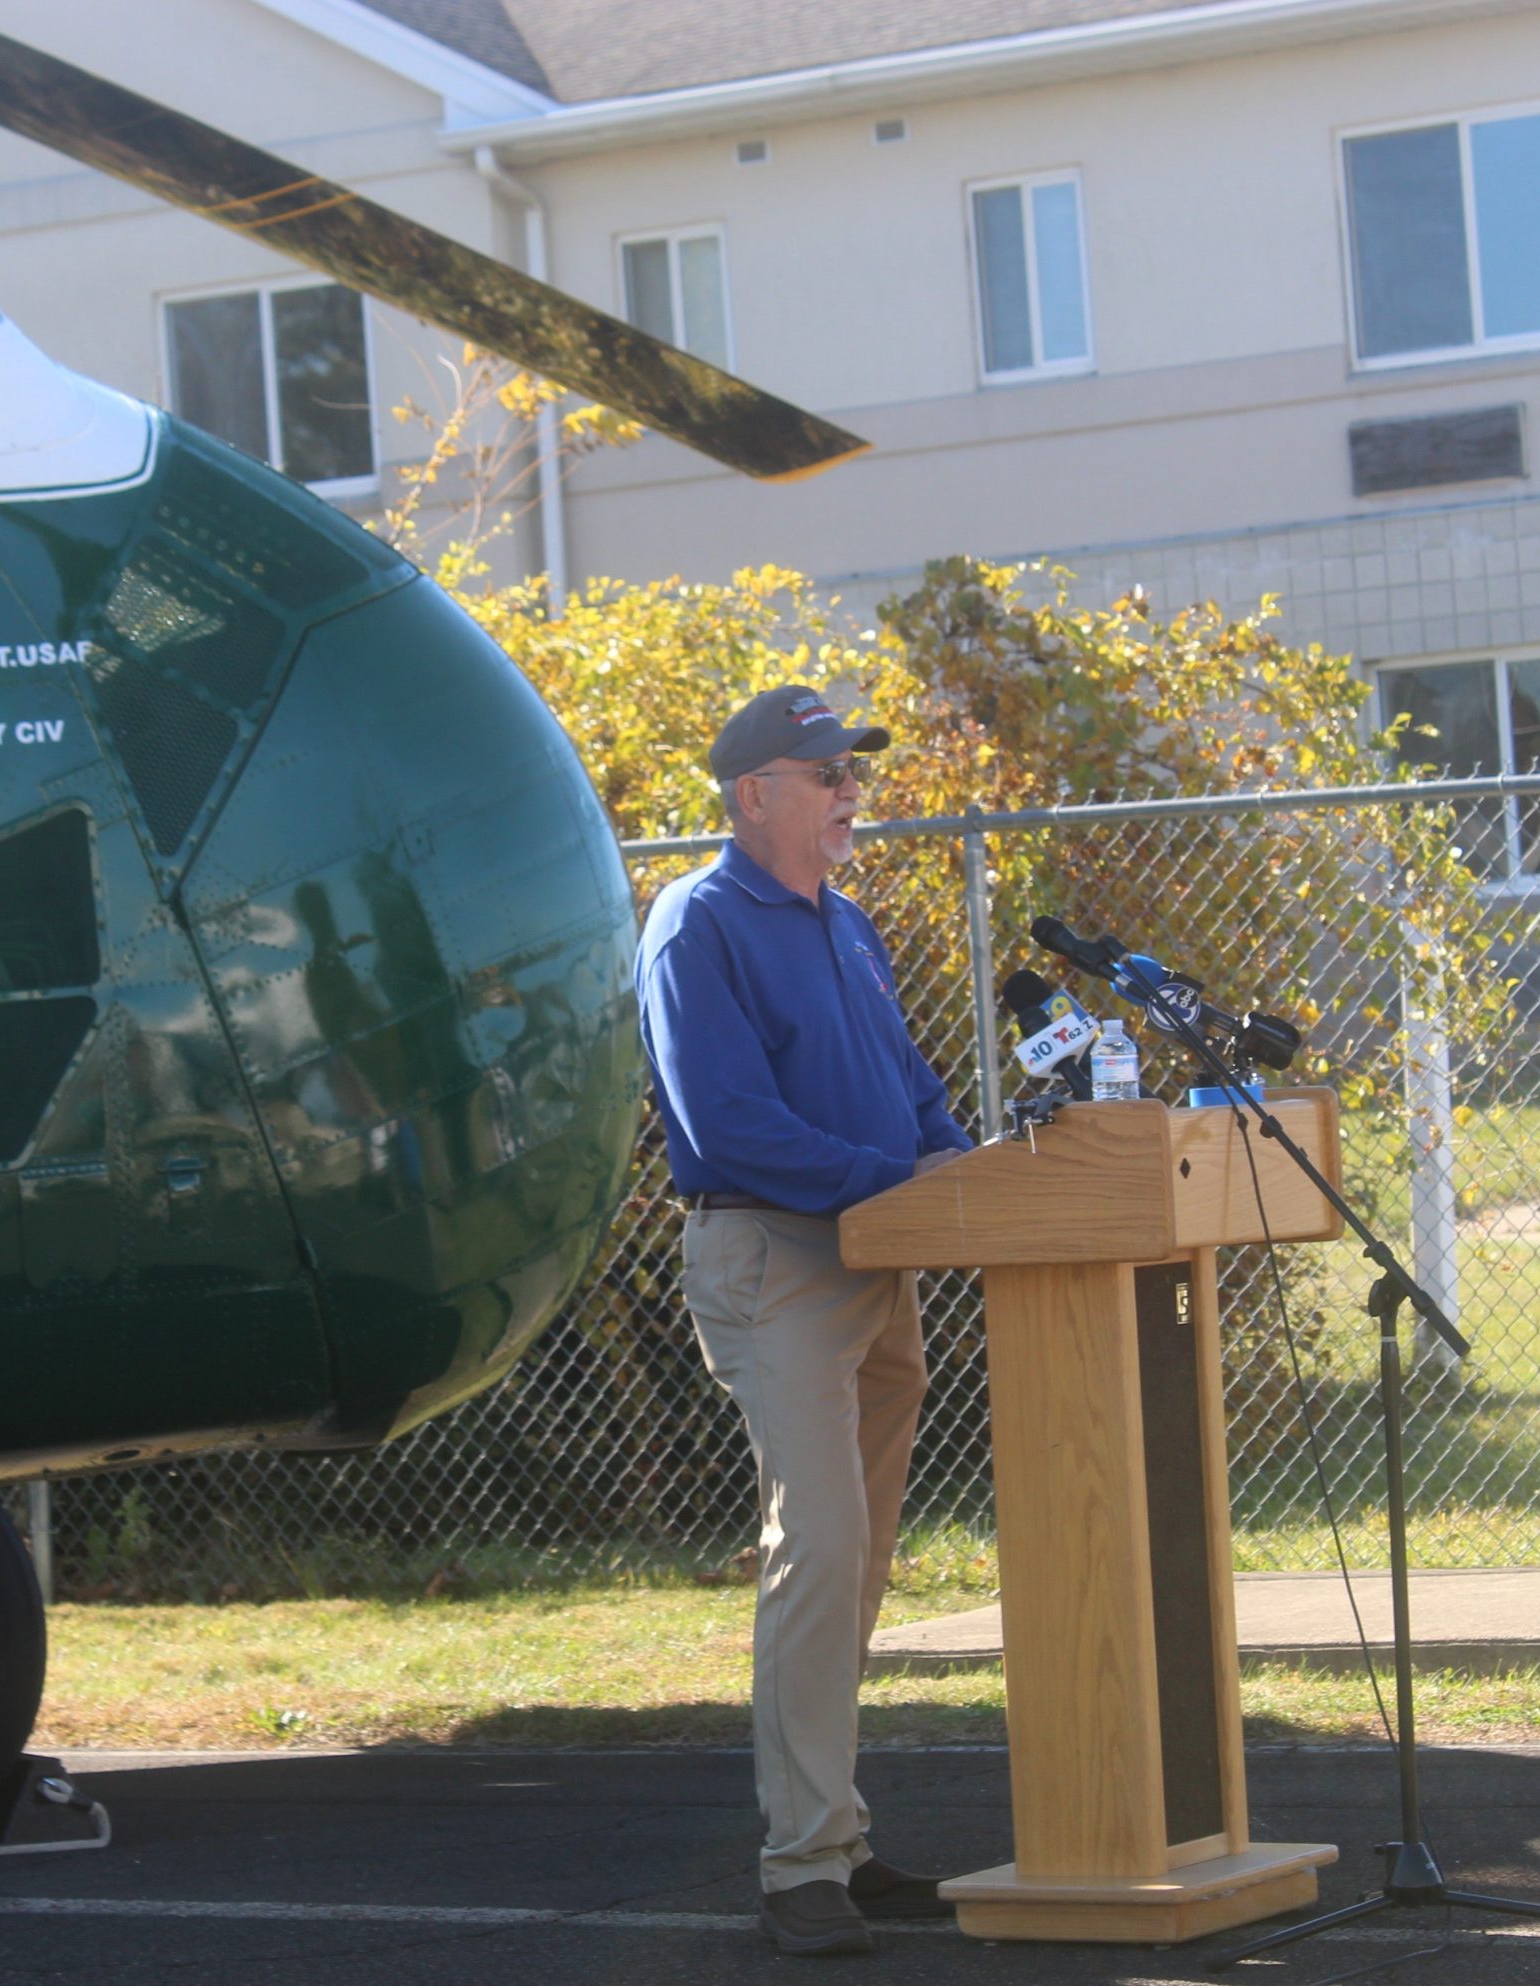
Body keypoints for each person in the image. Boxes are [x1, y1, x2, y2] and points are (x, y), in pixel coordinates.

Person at [635, 685, 973, 1957]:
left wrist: (959, 1168)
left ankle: (839, 1834)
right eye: (825, 775)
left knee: (858, 1561)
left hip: (878, 1263)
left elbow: (911, 1088)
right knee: (820, 1552)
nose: (848, 797)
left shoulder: (847, 924)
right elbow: (731, 1129)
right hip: (776, 1260)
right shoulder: (698, 925)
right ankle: (798, 1869)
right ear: (751, 795)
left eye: (853, 777)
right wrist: (901, 1184)